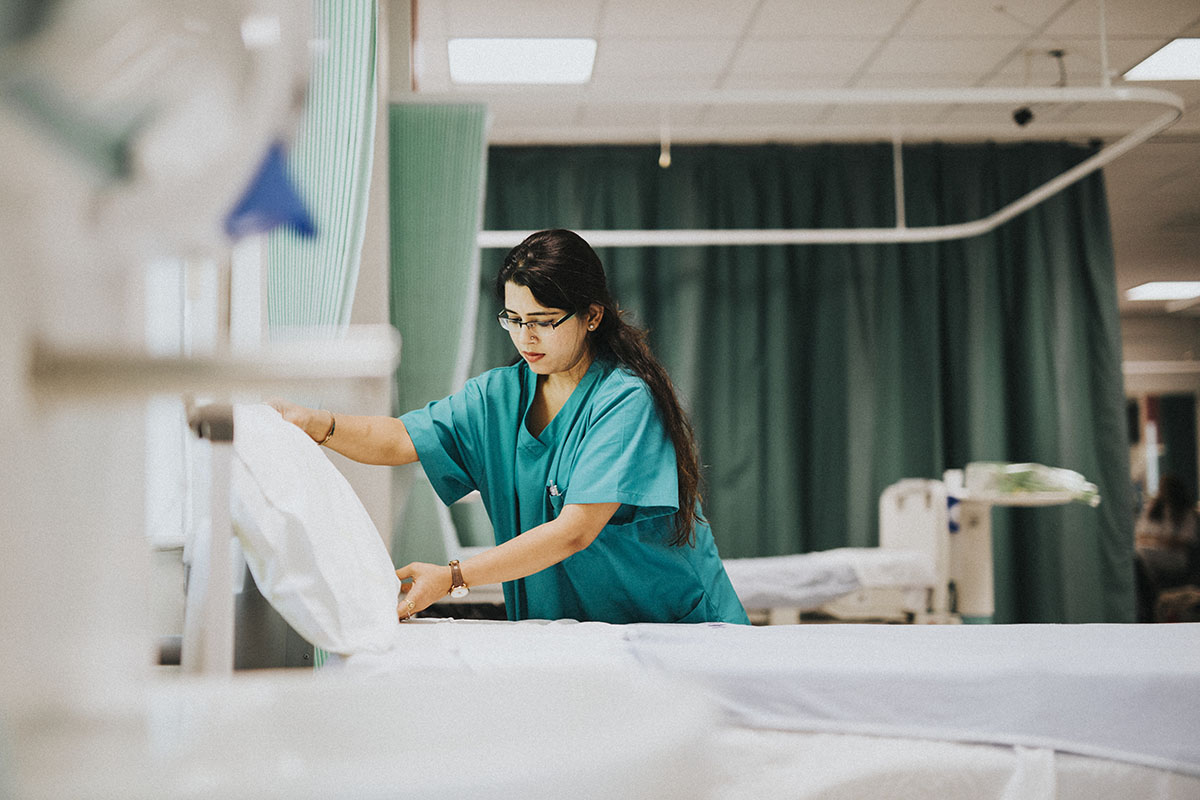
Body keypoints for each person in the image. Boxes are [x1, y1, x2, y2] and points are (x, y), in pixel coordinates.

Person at [272, 229, 749, 625]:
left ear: (593, 316)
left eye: (542, 321)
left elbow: (574, 531)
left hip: (670, 628)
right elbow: (400, 437)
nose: (526, 337)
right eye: (514, 319)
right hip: (575, 633)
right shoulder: (498, 397)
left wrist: (454, 576)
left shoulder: (623, 401)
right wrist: (317, 424)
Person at [1134, 474, 1199, 610]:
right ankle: (1150, 596)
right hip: (1150, 552)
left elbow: (1183, 541)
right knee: (1139, 554)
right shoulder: (1153, 510)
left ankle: (1152, 593)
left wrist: (1157, 541)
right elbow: (1140, 535)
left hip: (1175, 558)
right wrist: (1160, 541)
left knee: (1143, 554)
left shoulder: (1185, 513)